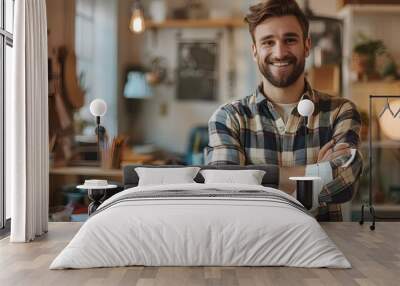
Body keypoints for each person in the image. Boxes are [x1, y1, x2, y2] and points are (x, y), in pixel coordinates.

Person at [206, 0, 363, 221]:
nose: (279, 52)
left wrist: (256, 177)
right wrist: (317, 171)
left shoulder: (340, 111)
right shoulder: (229, 117)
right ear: (254, 51)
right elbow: (224, 189)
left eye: (289, 40)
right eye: (268, 42)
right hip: (252, 249)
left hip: (320, 249)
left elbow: (346, 181)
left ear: (307, 46)